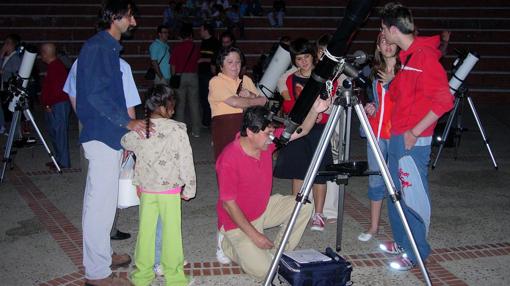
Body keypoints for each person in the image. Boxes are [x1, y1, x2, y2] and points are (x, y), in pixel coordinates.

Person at [215, 99, 330, 280]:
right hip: (235, 223)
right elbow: (229, 205)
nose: (272, 137)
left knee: (304, 206)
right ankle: (227, 245)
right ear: (250, 132)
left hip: (263, 209)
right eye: (267, 133)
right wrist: (255, 236)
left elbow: (302, 130)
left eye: (271, 132)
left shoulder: (266, 143)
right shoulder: (228, 159)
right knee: (265, 271)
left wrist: (315, 110)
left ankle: (277, 252)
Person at [75, 1, 146, 285]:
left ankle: (102, 254)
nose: (134, 23)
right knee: (99, 204)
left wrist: (124, 131)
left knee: (104, 202)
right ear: (116, 17)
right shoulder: (97, 48)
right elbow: (94, 95)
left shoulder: (108, 49)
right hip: (102, 134)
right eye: (131, 17)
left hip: (110, 134)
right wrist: (126, 122)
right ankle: (97, 273)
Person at [378, 2, 453, 270]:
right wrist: (390, 82)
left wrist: (415, 131)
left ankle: (417, 252)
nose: (382, 33)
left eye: (384, 28)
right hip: (399, 134)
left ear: (394, 29)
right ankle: (402, 241)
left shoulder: (424, 57)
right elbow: (404, 97)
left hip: (412, 139)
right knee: (395, 192)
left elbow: (444, 101)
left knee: (412, 196)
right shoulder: (408, 58)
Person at [122, 85, 196, 286]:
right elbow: (186, 161)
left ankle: (142, 276)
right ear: (166, 106)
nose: (173, 109)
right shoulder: (178, 130)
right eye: (172, 105)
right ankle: (175, 278)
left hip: (146, 191)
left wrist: (135, 125)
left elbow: (125, 142)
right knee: (171, 234)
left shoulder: (141, 129)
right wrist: (189, 188)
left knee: (145, 232)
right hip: (170, 191)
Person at [273, 38, 333, 232]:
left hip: (319, 127)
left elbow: (329, 101)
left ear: (313, 56)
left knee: (319, 172)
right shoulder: (290, 79)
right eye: (299, 59)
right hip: (298, 128)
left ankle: (319, 214)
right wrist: (306, 114)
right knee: (297, 170)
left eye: (306, 57)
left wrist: (319, 113)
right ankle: (297, 210)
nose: (303, 62)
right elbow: (289, 105)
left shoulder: (322, 77)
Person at [357, 33, 399, 242]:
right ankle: (373, 227)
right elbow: (376, 99)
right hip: (377, 134)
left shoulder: (405, 71)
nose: (388, 45)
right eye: (383, 41)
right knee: (375, 180)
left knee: (398, 182)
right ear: (378, 46)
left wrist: (394, 82)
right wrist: (372, 106)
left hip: (397, 134)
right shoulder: (374, 72)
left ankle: (398, 229)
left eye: (391, 41)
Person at [208, 46, 267, 160]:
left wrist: (251, 96)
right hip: (226, 128)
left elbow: (263, 103)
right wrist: (256, 100)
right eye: (230, 62)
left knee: (248, 162)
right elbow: (235, 102)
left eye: (238, 62)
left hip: (248, 127)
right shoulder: (216, 82)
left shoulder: (246, 80)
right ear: (221, 65)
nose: (235, 66)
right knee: (227, 163)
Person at [39, 43, 71, 169]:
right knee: (55, 132)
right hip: (56, 104)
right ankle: (59, 159)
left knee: (59, 133)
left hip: (58, 105)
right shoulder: (55, 66)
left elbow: (58, 90)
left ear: (45, 53)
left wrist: (48, 103)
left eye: (42, 53)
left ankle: (63, 162)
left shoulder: (56, 67)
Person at [170, 24, 201, 137]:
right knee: (194, 104)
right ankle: (196, 131)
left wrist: (174, 77)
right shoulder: (195, 47)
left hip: (180, 76)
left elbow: (172, 65)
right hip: (193, 76)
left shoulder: (177, 48)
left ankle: (180, 131)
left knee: (180, 104)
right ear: (191, 35)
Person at [198, 22, 220, 127]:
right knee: (203, 98)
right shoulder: (203, 42)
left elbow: (217, 58)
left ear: (206, 30)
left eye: (201, 29)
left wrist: (203, 59)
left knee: (209, 98)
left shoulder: (215, 42)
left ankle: (209, 121)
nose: (199, 32)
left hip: (209, 74)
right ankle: (206, 121)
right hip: (202, 74)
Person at [0, 34, 22, 134]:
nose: (5, 45)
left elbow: (17, 71)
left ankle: (13, 130)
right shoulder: (6, 57)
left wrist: (3, 71)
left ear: (12, 45)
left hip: (11, 86)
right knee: (5, 109)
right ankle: (6, 127)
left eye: (7, 43)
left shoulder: (15, 57)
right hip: (4, 85)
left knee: (10, 109)